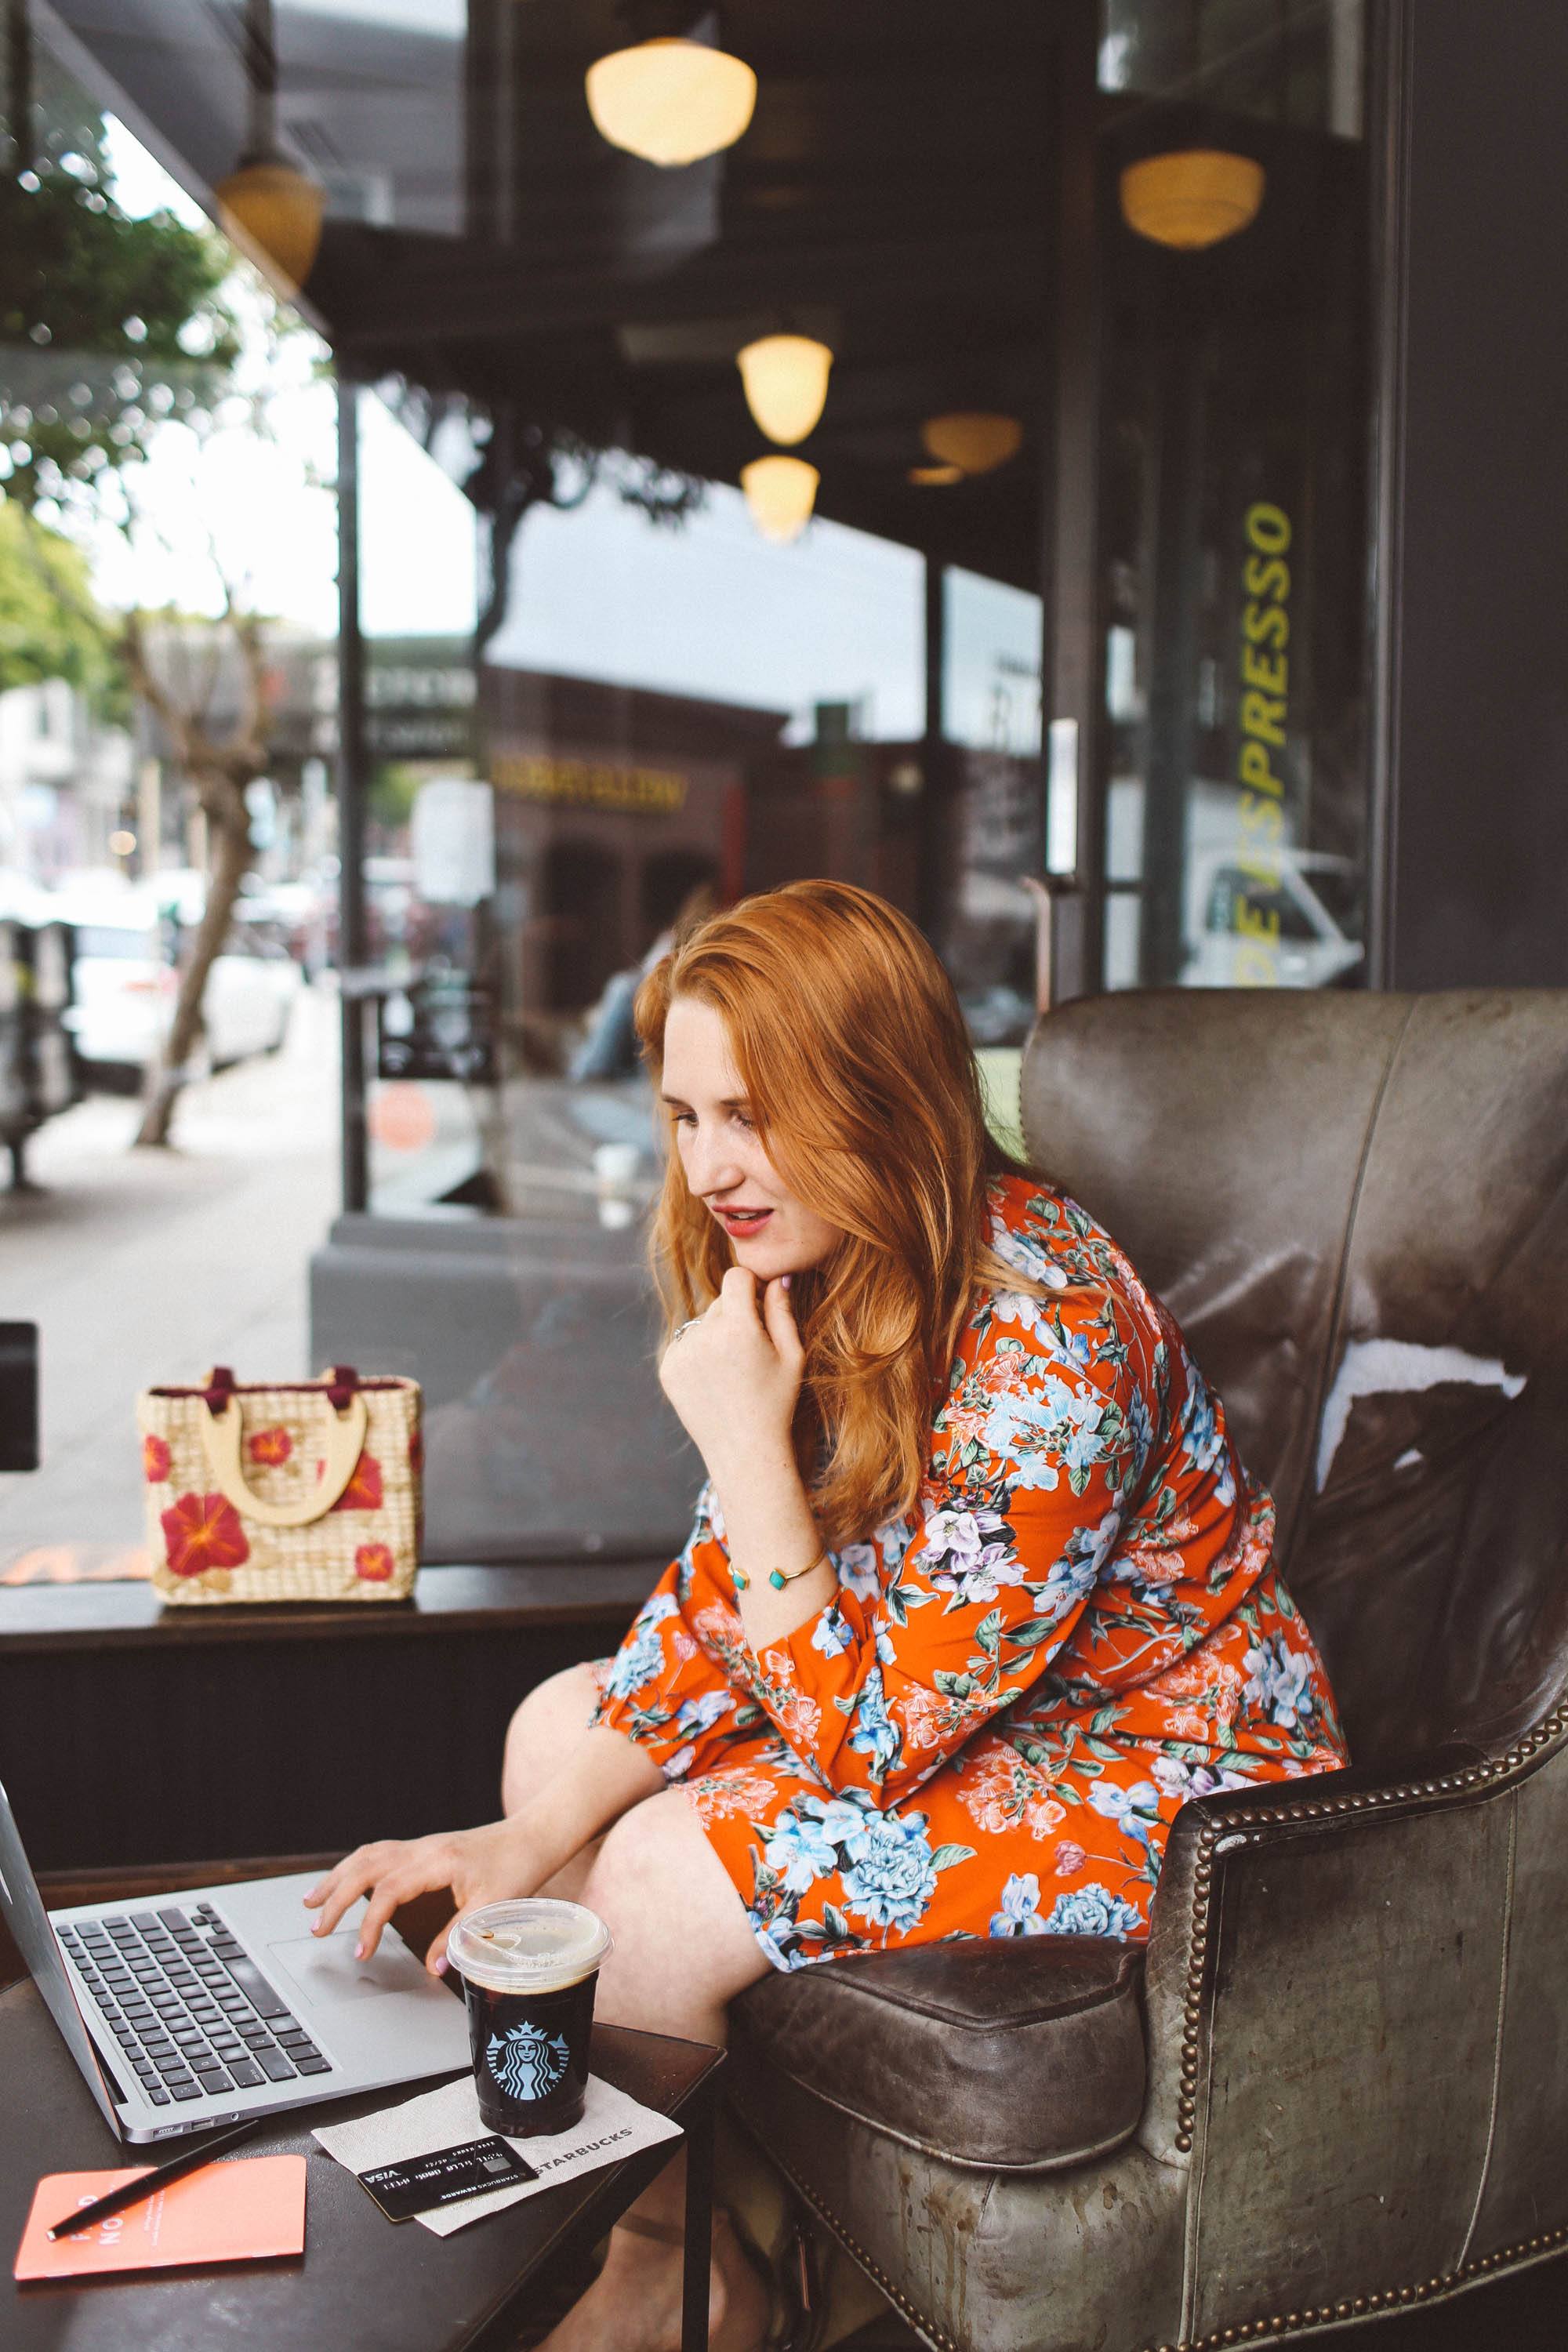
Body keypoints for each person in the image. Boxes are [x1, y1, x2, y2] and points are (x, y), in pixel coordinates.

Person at [305, 879, 1348, 2352]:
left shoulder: (1049, 1336)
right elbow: (724, 1618)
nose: (713, 1165)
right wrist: (514, 1846)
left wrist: (744, 1450)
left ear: (877, 1094)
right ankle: (720, 2234)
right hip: (959, 1713)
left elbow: (865, 1738)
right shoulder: (821, 1262)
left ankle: (673, 2284)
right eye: (685, 1115)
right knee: (557, 1735)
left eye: (754, 1112)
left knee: (666, 1873)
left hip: (1175, 1768)